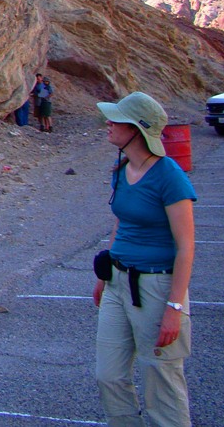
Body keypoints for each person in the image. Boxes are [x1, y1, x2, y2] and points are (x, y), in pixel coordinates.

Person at [93, 91, 197, 427]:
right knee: (108, 375)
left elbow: (186, 246)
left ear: (137, 130)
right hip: (117, 282)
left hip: (156, 286)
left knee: (162, 380)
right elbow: (121, 222)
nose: (108, 123)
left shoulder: (169, 176)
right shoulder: (122, 169)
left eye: (117, 120)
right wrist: (104, 274)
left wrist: (174, 307)